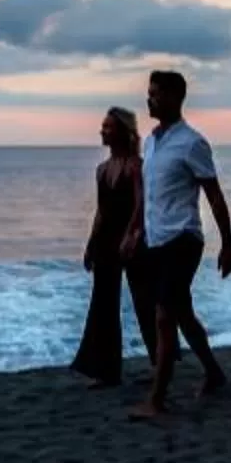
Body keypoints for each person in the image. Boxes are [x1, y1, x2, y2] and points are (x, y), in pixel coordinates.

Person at [123, 69, 231, 419]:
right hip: (156, 240)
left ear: (174, 97)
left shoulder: (192, 143)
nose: (149, 99)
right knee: (181, 312)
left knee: (164, 317)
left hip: (183, 239)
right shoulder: (151, 142)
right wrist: (135, 230)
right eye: (149, 93)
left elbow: (214, 195)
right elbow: (149, 193)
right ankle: (213, 373)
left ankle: (156, 400)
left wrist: (227, 244)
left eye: (155, 94)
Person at [71, 106, 154, 387]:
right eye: (103, 126)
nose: (102, 131)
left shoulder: (136, 166)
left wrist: (132, 234)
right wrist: (90, 244)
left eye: (108, 127)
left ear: (122, 131)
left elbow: (141, 204)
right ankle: (106, 371)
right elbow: (101, 211)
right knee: (103, 305)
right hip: (106, 241)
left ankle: (161, 362)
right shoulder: (102, 170)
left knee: (145, 302)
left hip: (134, 242)